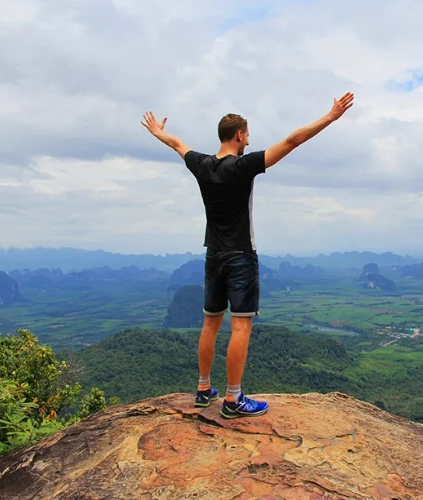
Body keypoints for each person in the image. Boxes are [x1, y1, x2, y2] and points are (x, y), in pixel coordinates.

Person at [141, 92, 355, 418]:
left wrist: (158, 133)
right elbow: (292, 141)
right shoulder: (243, 166)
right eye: (248, 135)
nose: (249, 140)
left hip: (212, 256)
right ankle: (233, 399)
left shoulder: (201, 164)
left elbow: (177, 144)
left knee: (210, 323)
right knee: (240, 327)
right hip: (240, 256)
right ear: (239, 135)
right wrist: (330, 117)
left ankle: (202, 389)